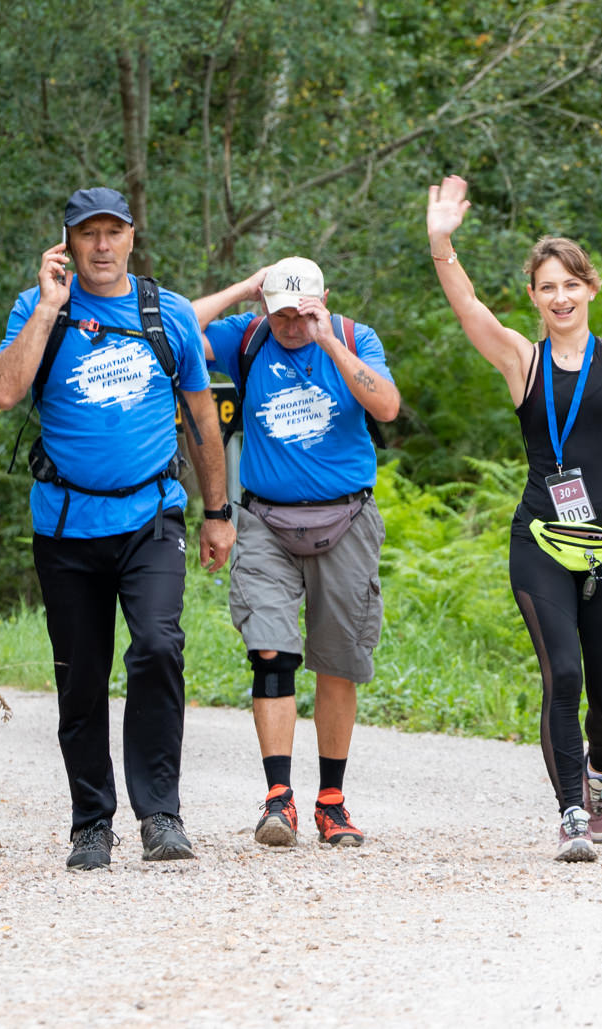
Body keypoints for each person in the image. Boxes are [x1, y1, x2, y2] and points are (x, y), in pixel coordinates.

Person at [424, 172, 602, 862]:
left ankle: (599, 772)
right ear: (534, 298)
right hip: (540, 537)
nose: (560, 296)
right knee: (561, 675)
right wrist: (441, 243)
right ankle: (571, 808)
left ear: (591, 288)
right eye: (547, 286)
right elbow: (469, 306)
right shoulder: (520, 359)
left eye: (572, 283)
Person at [0, 187, 235, 871]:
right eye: (87, 233)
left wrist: (218, 512)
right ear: (66, 241)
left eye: (113, 232)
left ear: (131, 236)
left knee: (158, 645)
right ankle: (91, 823)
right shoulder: (41, 312)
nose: (101, 246)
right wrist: (45, 307)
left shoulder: (168, 314)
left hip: (151, 513)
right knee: (82, 675)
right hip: (66, 524)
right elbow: (4, 390)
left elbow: (204, 420)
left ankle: (161, 814)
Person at [192, 256, 400, 850]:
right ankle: (277, 798)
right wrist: (243, 289)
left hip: (347, 518)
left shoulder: (356, 339)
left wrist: (329, 341)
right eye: (278, 313)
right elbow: (178, 329)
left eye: (300, 314)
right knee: (272, 653)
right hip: (263, 522)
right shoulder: (247, 337)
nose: (288, 325)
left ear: (323, 301)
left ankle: (331, 802)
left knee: (337, 662)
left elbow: (385, 405)